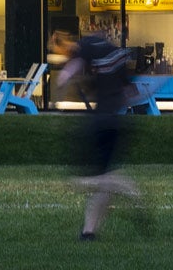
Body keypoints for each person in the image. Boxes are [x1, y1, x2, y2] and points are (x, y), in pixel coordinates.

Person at [56, 14, 141, 240]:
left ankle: (128, 188)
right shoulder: (117, 54)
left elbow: (73, 67)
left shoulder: (87, 45)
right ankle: (88, 232)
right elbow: (130, 93)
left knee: (78, 181)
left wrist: (63, 80)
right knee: (105, 181)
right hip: (116, 122)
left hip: (98, 122)